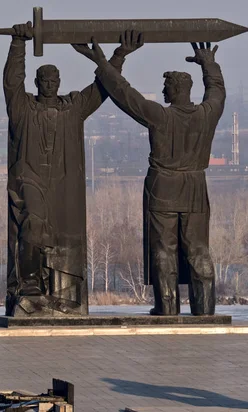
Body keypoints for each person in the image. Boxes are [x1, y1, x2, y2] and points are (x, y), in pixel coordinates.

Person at [73, 36, 226, 316]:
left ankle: (167, 308)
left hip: (164, 187)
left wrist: (102, 63)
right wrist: (209, 65)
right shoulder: (207, 115)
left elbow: (125, 95)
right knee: (199, 249)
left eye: (166, 86)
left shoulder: (161, 116)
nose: (163, 91)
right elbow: (217, 92)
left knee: (164, 249)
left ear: (176, 89)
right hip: (194, 186)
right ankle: (205, 310)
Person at [5, 23, 143, 316]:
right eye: (45, 78)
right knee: (32, 227)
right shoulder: (23, 107)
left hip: (63, 185)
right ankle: (28, 290)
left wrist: (118, 56)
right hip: (30, 178)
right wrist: (18, 45)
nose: (51, 83)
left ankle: (62, 298)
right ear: (37, 81)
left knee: (64, 238)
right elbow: (11, 82)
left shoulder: (73, 107)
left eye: (54, 78)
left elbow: (102, 89)